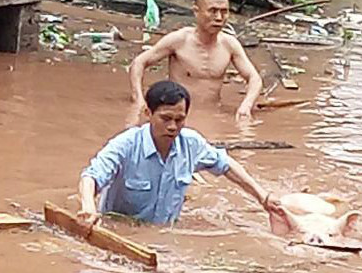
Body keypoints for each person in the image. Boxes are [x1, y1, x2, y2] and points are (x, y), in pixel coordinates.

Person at [78, 81, 278, 227]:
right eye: (165, 118)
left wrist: (263, 198)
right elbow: (91, 176)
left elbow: (226, 165)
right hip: (120, 231)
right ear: (148, 113)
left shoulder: (191, 144)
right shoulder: (126, 144)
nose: (173, 127)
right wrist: (88, 207)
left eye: (179, 119)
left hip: (165, 233)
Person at [129, 0, 263, 122]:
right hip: (178, 116)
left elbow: (254, 78)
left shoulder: (229, 44)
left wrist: (246, 105)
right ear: (196, 11)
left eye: (224, 12)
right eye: (212, 11)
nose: (218, 18)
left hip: (213, 114)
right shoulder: (179, 40)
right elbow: (139, 62)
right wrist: (138, 99)